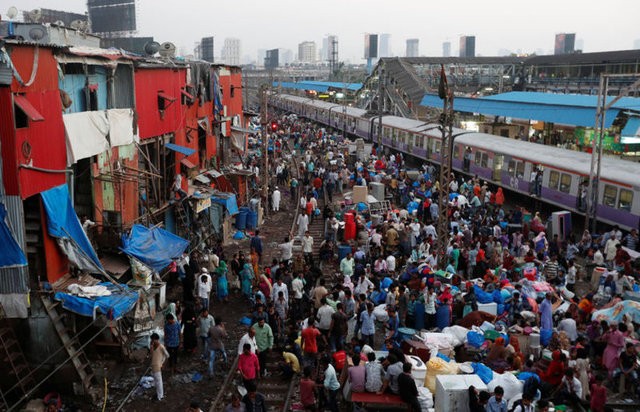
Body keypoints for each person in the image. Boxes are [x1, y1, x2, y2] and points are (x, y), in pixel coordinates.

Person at [150, 332, 169, 401]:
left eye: (152, 340)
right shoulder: (153, 346)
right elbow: (151, 355)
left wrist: (162, 363)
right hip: (153, 365)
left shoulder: (161, 347)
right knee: (156, 381)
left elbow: (167, 355)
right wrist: (151, 347)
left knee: (159, 381)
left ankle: (160, 396)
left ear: (156, 339)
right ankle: (159, 394)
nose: (152, 341)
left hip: (157, 366)